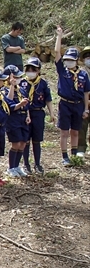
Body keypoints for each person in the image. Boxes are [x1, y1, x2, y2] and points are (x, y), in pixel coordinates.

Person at [54, 25, 90, 166]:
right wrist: (59, 36)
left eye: (71, 59)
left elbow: (86, 92)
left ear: (76, 61)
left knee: (75, 131)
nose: (68, 61)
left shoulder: (83, 74)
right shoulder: (63, 71)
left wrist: (86, 108)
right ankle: (64, 157)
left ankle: (74, 155)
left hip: (78, 105)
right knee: (64, 132)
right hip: (65, 104)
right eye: (67, 59)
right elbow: (57, 52)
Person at [20, 57, 55, 173]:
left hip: (38, 113)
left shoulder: (43, 84)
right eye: (28, 69)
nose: (30, 71)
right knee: (26, 140)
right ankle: (26, 164)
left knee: (37, 140)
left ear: (39, 70)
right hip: (25, 113)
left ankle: (37, 164)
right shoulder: (22, 83)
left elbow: (48, 100)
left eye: (33, 69)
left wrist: (52, 114)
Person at [2, 65, 31, 177]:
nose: (19, 78)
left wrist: (28, 115)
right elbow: (9, 104)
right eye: (16, 76)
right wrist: (12, 87)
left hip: (23, 118)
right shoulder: (4, 90)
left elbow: (26, 104)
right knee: (16, 143)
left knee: (23, 143)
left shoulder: (22, 90)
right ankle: (11, 167)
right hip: (13, 119)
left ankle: (17, 166)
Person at [76, 46, 90, 157]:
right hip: (84, 103)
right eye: (86, 57)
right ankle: (81, 148)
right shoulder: (80, 73)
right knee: (81, 126)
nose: (88, 58)